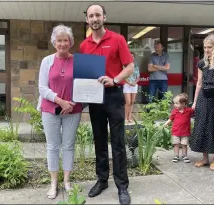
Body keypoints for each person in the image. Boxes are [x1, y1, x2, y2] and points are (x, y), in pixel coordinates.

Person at [80, 4, 134, 205]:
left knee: (118, 142)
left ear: (104, 17)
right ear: (87, 19)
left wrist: (116, 79)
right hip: (95, 98)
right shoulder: (84, 45)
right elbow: (84, 73)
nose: (94, 18)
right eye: (91, 16)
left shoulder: (117, 39)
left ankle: (122, 186)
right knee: (99, 140)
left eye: (97, 15)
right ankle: (102, 180)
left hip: (113, 95)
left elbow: (130, 66)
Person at [38, 25, 83, 199]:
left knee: (69, 146)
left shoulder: (78, 61)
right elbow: (42, 87)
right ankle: (53, 183)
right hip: (50, 109)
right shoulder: (47, 61)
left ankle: (67, 182)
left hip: (73, 109)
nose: (62, 43)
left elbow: (84, 85)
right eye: (59, 40)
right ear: (54, 42)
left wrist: (72, 103)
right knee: (53, 146)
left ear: (70, 42)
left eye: (66, 40)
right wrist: (61, 101)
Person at [191, 34, 214, 171]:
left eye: (209, 47)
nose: (206, 50)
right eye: (205, 47)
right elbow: (199, 83)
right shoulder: (202, 63)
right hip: (204, 99)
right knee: (203, 127)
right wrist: (194, 102)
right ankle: (205, 158)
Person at [163, 93, 194, 163]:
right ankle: (176, 155)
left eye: (177, 103)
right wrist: (166, 123)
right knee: (176, 144)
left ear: (183, 104)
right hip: (176, 132)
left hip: (185, 132)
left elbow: (195, 110)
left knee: (184, 144)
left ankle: (185, 155)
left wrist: (195, 104)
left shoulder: (188, 111)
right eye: (174, 103)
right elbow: (171, 119)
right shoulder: (174, 112)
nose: (175, 105)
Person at [123, 52, 140, 124]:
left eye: (132, 56)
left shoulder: (136, 66)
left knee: (132, 102)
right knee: (128, 102)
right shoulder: (124, 66)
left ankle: (129, 117)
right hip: (127, 85)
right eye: (130, 56)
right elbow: (123, 77)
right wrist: (129, 83)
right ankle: (125, 118)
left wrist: (135, 83)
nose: (131, 57)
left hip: (134, 85)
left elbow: (138, 77)